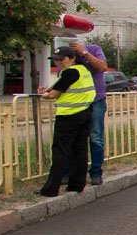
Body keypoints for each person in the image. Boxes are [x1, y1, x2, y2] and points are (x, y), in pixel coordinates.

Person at [35, 47, 95, 197]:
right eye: (55, 59)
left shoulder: (70, 72)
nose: (58, 62)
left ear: (72, 58)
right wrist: (46, 90)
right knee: (79, 150)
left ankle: (50, 189)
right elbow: (59, 86)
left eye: (61, 59)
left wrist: (45, 95)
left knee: (60, 151)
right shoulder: (84, 70)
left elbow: (54, 94)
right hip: (85, 113)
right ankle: (77, 185)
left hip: (68, 116)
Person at [67, 41, 108, 184]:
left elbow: (102, 67)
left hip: (96, 101)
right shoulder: (67, 56)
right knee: (73, 138)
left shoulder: (93, 49)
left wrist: (84, 52)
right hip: (76, 103)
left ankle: (96, 173)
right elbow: (64, 78)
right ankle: (71, 173)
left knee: (95, 137)